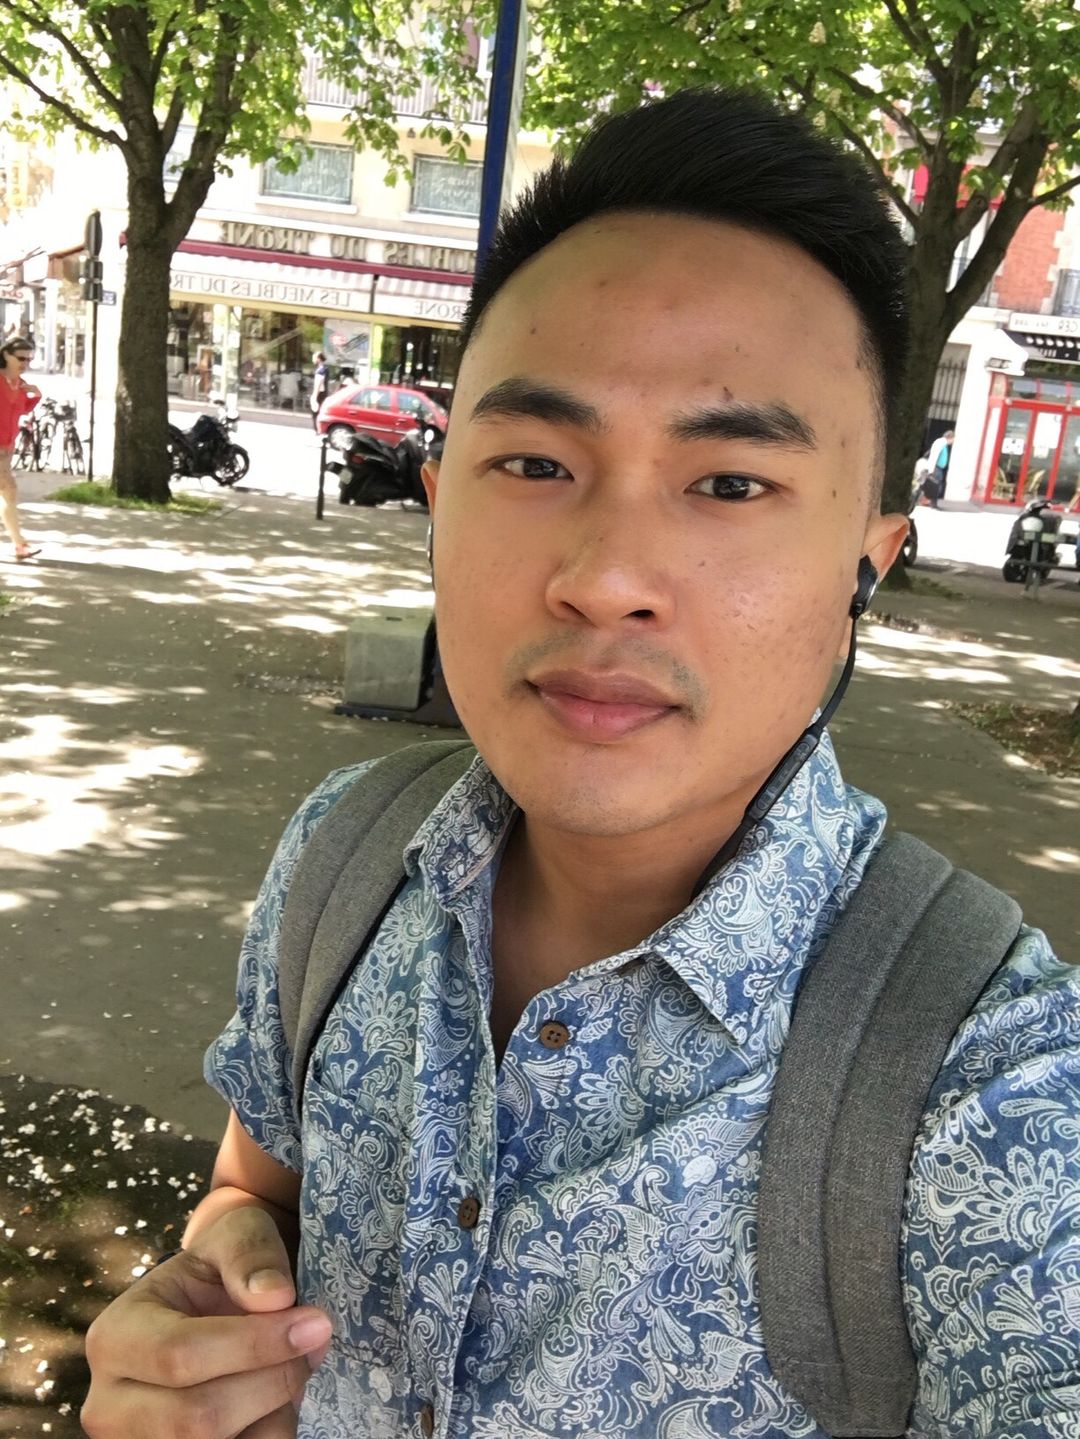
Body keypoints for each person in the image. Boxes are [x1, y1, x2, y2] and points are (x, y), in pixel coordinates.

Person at [83, 89, 1075, 1439]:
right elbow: (254, 1185)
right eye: (538, 461)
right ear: (439, 505)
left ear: (866, 567)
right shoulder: (345, 857)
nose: (606, 578)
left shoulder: (992, 1080)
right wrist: (213, 1288)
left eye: (730, 483)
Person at [0, 336, 41, 561]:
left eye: (29, 359)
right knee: (9, 490)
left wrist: (36, 395)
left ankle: (19, 545)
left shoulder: (19, 384)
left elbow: (21, 409)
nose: (25, 363)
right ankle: (19, 544)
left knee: (8, 493)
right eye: (21, 358)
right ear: (6, 355)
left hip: (7, 447)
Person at [923, 427, 954, 507]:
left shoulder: (943, 444)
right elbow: (934, 455)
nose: (953, 441)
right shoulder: (941, 443)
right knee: (935, 486)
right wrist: (931, 468)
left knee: (936, 486)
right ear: (950, 437)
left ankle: (933, 502)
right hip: (936, 468)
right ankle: (932, 503)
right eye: (953, 439)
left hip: (938, 468)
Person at [310, 351, 330, 432]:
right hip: (323, 394)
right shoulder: (325, 369)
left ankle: (317, 429)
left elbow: (319, 384)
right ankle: (319, 429)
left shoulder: (320, 370)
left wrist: (314, 396)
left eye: (314, 358)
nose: (313, 360)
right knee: (319, 411)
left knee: (315, 412)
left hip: (319, 394)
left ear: (318, 359)